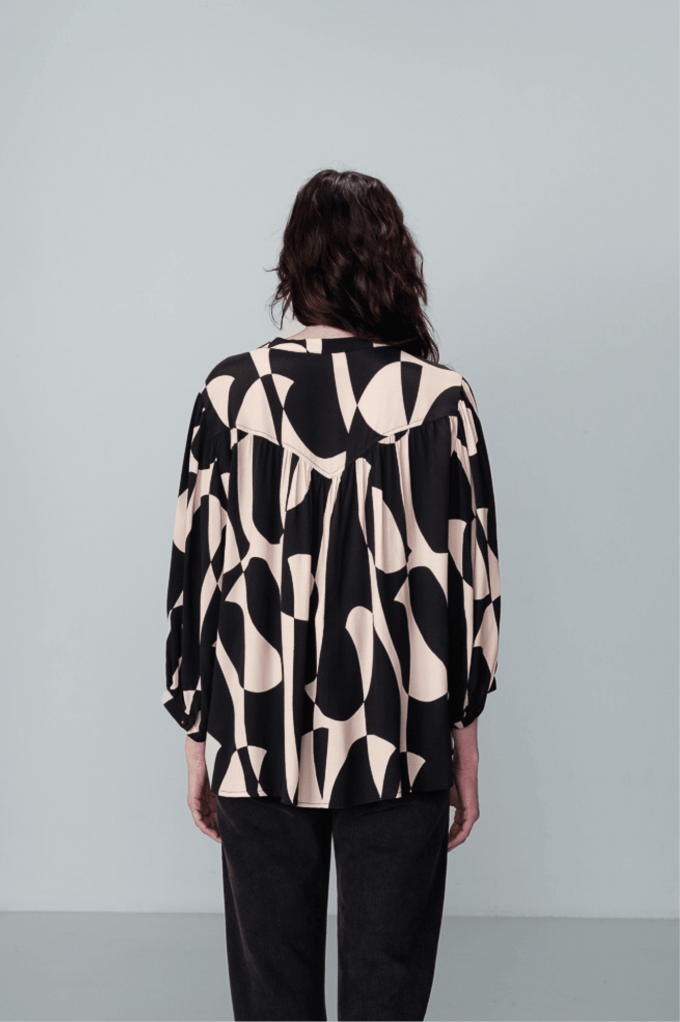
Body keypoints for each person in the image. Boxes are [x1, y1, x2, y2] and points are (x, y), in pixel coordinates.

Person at [163, 168, 501, 1022]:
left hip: (254, 721)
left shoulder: (230, 393)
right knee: (388, 984)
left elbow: (194, 576)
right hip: (401, 725)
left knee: (271, 992)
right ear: (393, 264)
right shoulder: (441, 400)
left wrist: (199, 731)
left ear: (294, 267)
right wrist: (464, 733)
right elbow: (472, 586)